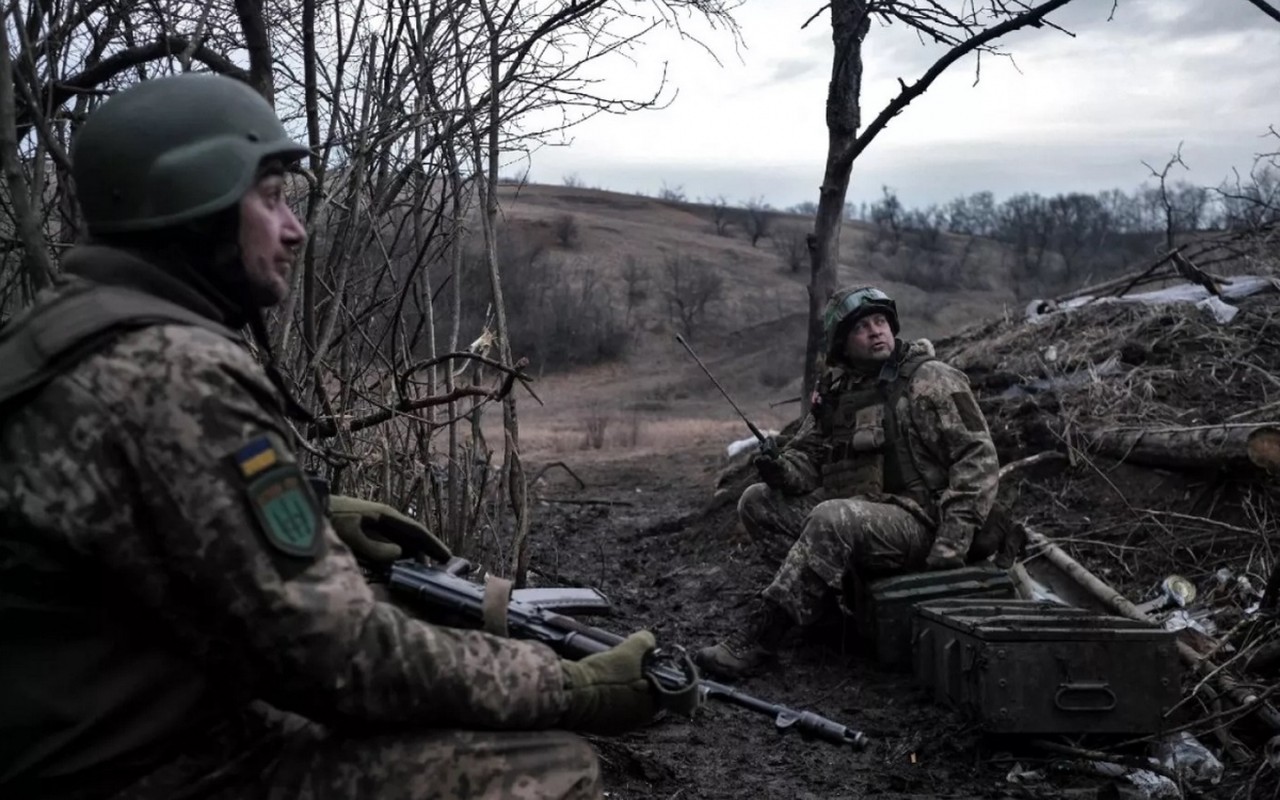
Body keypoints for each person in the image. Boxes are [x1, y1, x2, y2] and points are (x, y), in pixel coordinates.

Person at [0, 73, 693, 800]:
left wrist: (314, 512)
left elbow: (130, 522)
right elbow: (344, 657)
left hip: (83, 736)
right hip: (137, 770)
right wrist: (570, 684)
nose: (295, 228)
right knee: (545, 766)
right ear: (193, 208)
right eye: (270, 199)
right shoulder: (175, 370)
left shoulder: (55, 333)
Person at [695, 286, 1000, 680]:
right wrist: (779, 468)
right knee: (756, 501)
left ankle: (762, 637)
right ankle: (824, 622)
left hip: (922, 521)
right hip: (859, 513)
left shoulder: (931, 380)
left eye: (880, 322)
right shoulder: (837, 393)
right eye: (862, 327)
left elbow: (977, 457)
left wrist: (952, 541)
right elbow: (808, 460)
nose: (876, 332)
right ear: (843, 343)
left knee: (833, 517)